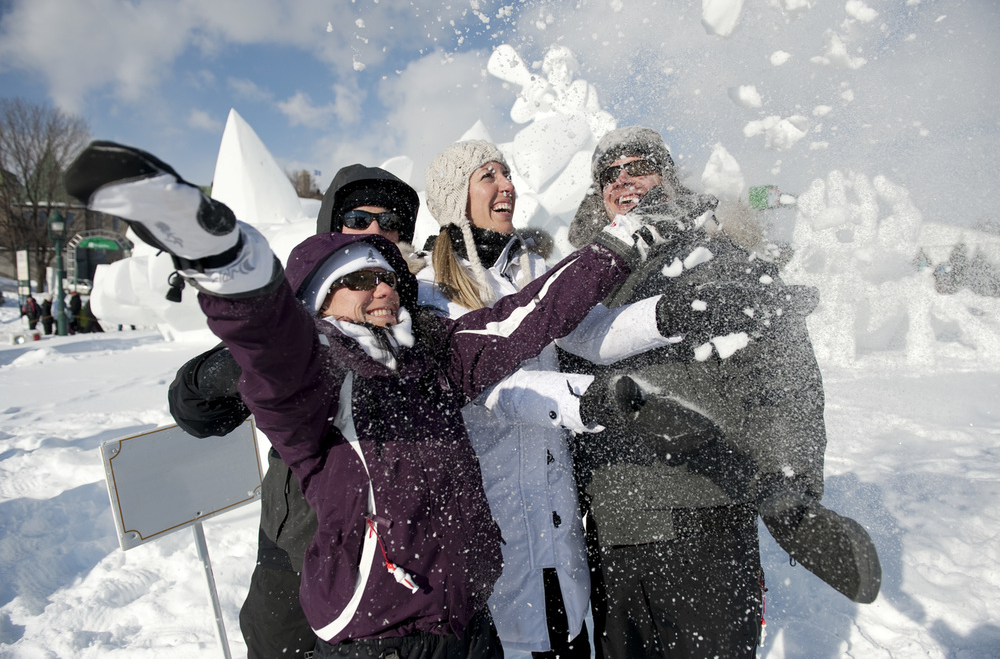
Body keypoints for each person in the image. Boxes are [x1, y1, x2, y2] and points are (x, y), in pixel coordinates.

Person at [65, 140, 667, 658]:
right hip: (322, 586)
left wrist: (615, 249)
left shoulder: (427, 351)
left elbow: (519, 322)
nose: (378, 247)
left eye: (391, 239)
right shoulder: (307, 364)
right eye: (358, 224)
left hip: (456, 611)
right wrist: (227, 269)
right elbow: (251, 349)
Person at [564, 126, 882, 658]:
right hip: (613, 528)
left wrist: (790, 490)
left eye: (637, 166)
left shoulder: (719, 259)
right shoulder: (585, 277)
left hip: (706, 516)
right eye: (608, 174)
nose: (623, 181)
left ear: (666, 174)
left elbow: (787, 383)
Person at [419, 140, 676, 658]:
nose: (506, 185)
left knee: (569, 635)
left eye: (507, 173)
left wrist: (673, 315)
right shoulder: (430, 293)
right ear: (455, 198)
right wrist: (587, 402)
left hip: (558, 536)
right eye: (487, 175)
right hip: (496, 537)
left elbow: (590, 334)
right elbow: (495, 390)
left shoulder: (536, 267)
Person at [169, 162, 424, 659]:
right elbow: (194, 410)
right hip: (296, 546)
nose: (375, 230)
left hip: (396, 557)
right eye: (358, 217)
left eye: (390, 222)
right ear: (331, 225)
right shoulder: (288, 318)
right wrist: (248, 366)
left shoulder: (424, 322)